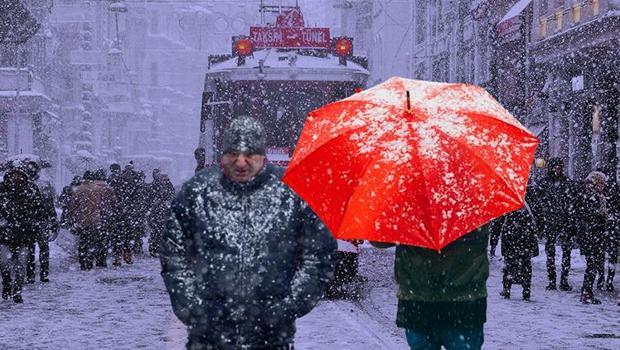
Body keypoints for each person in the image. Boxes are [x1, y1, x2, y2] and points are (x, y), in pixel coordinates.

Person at [160, 116, 336, 349]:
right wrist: (191, 307)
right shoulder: (196, 192)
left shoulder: (290, 192)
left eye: (249, 154)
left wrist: (288, 305)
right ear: (223, 155)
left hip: (271, 337)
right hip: (208, 336)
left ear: (263, 155)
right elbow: (174, 254)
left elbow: (319, 253)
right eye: (233, 154)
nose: (240, 162)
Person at [372, 226, 489, 350]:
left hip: (418, 301)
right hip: (465, 303)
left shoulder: (408, 213)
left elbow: (378, 237)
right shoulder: (473, 211)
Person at [0, 168, 47, 303]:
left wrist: (32, 226)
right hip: (5, 235)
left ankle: (17, 292)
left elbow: (38, 211)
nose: (15, 178)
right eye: (13, 175)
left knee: (21, 265)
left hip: (24, 236)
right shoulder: (2, 190)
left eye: (18, 175)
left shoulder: (30, 191)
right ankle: (7, 284)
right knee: (4, 264)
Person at [537, 157, 574, 291]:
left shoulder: (566, 183)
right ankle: (552, 280)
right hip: (551, 221)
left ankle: (563, 280)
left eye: (559, 167)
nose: (557, 170)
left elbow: (571, 201)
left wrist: (569, 219)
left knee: (566, 251)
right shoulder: (545, 183)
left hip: (563, 221)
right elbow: (539, 202)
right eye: (555, 167)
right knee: (550, 252)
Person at [69, 170, 116, 270]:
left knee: (83, 241)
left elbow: (73, 206)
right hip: (95, 219)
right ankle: (90, 262)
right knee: (93, 241)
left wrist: (76, 216)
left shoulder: (78, 189)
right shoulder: (97, 189)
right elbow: (103, 204)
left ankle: (83, 262)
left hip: (82, 220)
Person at [492, 204, 539, 301]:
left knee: (509, 268)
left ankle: (507, 289)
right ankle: (526, 291)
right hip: (523, 248)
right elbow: (532, 233)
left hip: (512, 247)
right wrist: (533, 249)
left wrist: (504, 250)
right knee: (525, 269)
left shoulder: (510, 216)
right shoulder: (527, 216)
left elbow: (504, 233)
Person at [575, 171, 608, 304]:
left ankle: (587, 291)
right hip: (592, 236)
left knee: (593, 265)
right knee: (592, 265)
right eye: (601, 183)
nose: (603, 185)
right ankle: (586, 292)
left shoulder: (596, 195)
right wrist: (601, 217)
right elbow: (588, 216)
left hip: (594, 235)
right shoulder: (590, 196)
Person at [24, 161, 58, 283]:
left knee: (31, 249)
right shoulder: (44, 183)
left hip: (29, 221)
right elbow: (50, 204)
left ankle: (31, 275)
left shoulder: (25, 183)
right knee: (41, 248)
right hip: (40, 220)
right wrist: (53, 219)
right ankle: (42, 274)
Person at [146, 169, 175, 257]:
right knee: (156, 232)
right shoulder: (153, 186)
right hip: (156, 213)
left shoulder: (168, 186)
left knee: (161, 232)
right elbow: (148, 199)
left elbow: (172, 197)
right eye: (162, 177)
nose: (163, 179)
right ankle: (154, 249)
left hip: (163, 212)